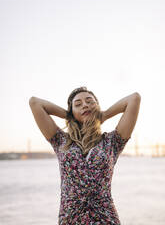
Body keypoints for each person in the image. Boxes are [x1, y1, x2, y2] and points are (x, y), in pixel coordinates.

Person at [29, 87, 141, 225]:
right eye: (78, 104)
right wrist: (70, 115)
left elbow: (134, 99)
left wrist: (103, 115)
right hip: (70, 219)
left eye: (90, 102)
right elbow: (35, 103)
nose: (85, 105)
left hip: (105, 218)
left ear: (97, 107)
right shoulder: (60, 141)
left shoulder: (113, 142)